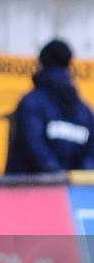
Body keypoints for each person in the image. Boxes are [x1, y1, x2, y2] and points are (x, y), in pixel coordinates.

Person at [5, 38, 94, 174]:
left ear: (40, 64)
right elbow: (89, 157)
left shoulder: (31, 102)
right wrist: (74, 183)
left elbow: (35, 148)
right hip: (73, 193)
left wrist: (56, 178)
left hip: (29, 191)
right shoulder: (84, 111)